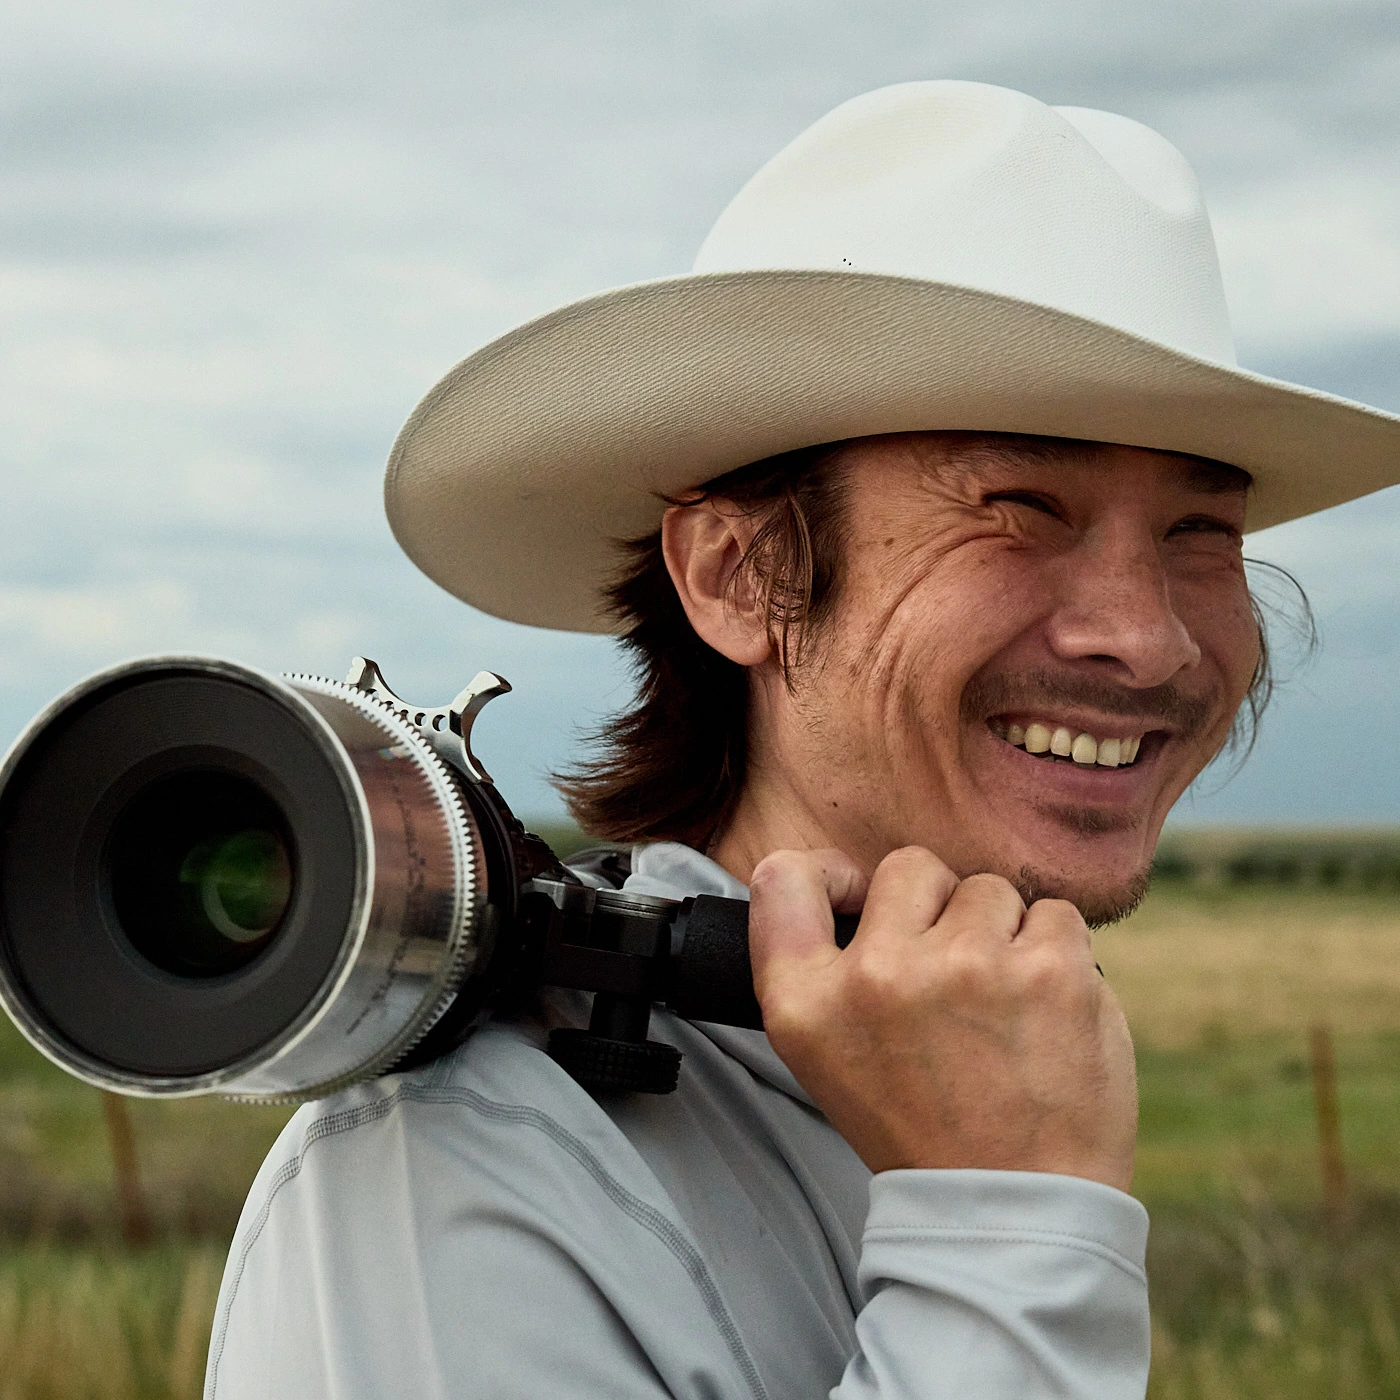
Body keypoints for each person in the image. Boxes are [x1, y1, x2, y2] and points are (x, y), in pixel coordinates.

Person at [206, 81, 1400, 1399]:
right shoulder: (455, 1179)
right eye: (1020, 506)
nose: (1150, 639)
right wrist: (1006, 1233)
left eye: (1201, 532)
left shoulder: (970, 1082)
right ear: (741, 577)